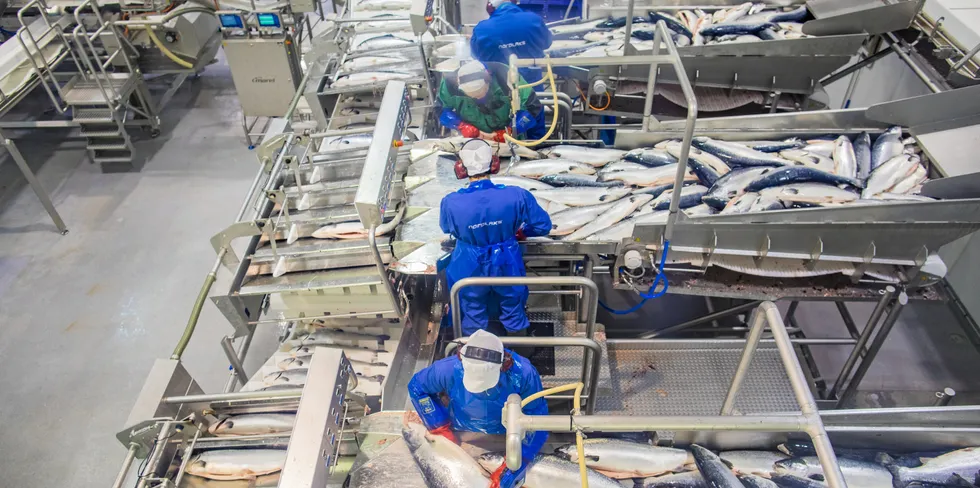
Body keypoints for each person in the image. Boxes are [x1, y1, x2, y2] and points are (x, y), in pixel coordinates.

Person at [407, 330, 548, 488]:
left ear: (503, 365)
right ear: (462, 360)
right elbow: (417, 387)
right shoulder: (447, 369)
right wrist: (439, 426)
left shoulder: (524, 374)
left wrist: (520, 459)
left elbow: (537, 418)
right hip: (462, 432)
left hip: (508, 434)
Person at [439, 139, 552, 336]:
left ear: (461, 168)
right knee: (513, 307)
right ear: (494, 164)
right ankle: (519, 355)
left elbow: (446, 228)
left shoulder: (450, 202)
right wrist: (522, 233)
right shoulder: (517, 195)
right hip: (507, 262)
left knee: (472, 310)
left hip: (468, 264)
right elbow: (543, 225)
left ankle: (473, 353)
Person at [438, 60, 547, 141]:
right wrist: (460, 125)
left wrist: (511, 131)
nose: (478, 98)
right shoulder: (449, 85)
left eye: (481, 92)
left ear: (488, 80)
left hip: (510, 140)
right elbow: (440, 110)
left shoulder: (506, 76)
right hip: (472, 141)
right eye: (472, 96)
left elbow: (533, 107)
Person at [471, 0, 552, 85]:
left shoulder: (481, 29)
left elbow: (475, 55)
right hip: (534, 87)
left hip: (500, 89)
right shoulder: (534, 20)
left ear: (490, 6)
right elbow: (547, 43)